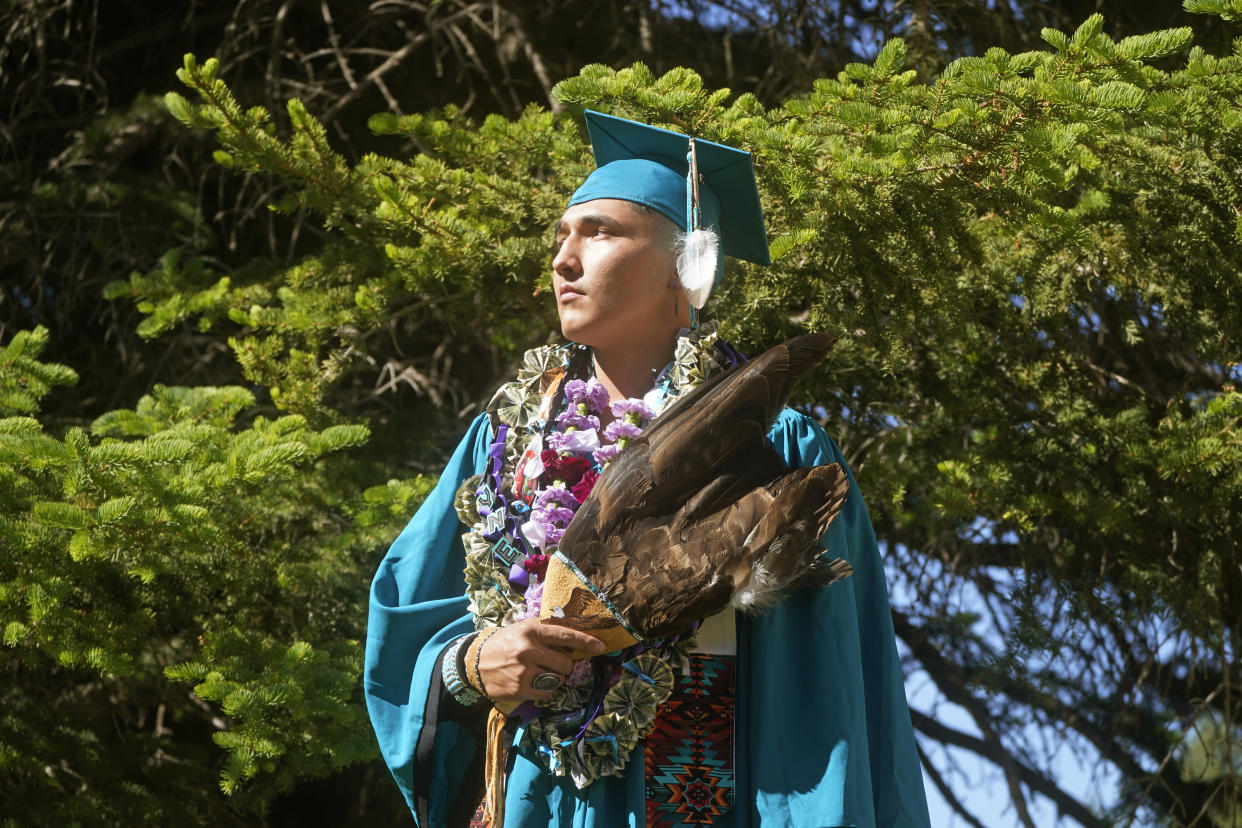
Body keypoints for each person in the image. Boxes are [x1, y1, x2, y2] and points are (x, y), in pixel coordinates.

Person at [364, 110, 931, 828]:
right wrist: (473, 664)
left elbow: (825, 703)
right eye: (562, 237)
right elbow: (407, 623)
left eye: (599, 232)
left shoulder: (774, 453)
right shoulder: (501, 448)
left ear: (683, 265)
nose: (563, 261)